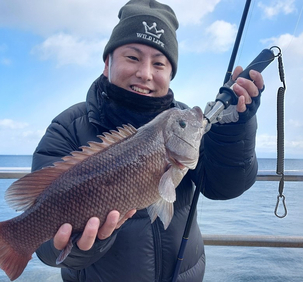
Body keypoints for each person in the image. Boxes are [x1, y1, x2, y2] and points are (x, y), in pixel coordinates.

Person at [32, 0, 264, 281]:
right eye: (132, 57)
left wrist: (235, 128)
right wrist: (86, 245)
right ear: (107, 63)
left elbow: (223, 186)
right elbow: (45, 247)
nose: (145, 73)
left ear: (170, 74)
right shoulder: (67, 129)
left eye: (159, 63)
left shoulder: (183, 126)